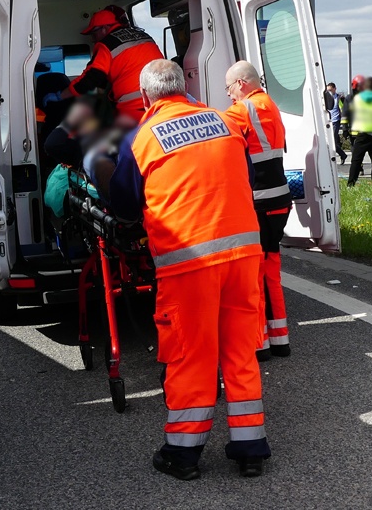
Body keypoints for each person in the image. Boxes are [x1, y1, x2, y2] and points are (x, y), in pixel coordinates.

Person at [110, 59, 269, 480]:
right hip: (244, 254)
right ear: (185, 87)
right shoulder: (224, 121)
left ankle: (182, 454)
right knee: (239, 351)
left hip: (189, 262)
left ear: (145, 97)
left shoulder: (142, 138)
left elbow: (124, 206)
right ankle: (251, 447)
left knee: (191, 355)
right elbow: (244, 178)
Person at [222, 61, 293, 362]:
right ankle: (280, 340)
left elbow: (214, 129)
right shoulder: (270, 105)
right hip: (279, 199)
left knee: (254, 274)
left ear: (240, 83)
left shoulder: (245, 109)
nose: (229, 97)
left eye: (229, 90)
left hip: (260, 201)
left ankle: (259, 344)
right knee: (271, 270)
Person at [42, 6, 164, 123]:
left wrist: (60, 96)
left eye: (94, 34)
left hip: (136, 109)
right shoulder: (144, 36)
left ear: (105, 28)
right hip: (163, 103)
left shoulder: (106, 45)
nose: (93, 39)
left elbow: (90, 79)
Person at [325, 82, 347, 164]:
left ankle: (341, 155)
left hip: (335, 121)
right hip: (327, 121)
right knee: (328, 141)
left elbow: (343, 109)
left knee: (332, 141)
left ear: (335, 89)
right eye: (328, 90)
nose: (329, 92)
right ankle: (342, 155)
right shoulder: (325, 98)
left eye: (330, 90)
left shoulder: (339, 98)